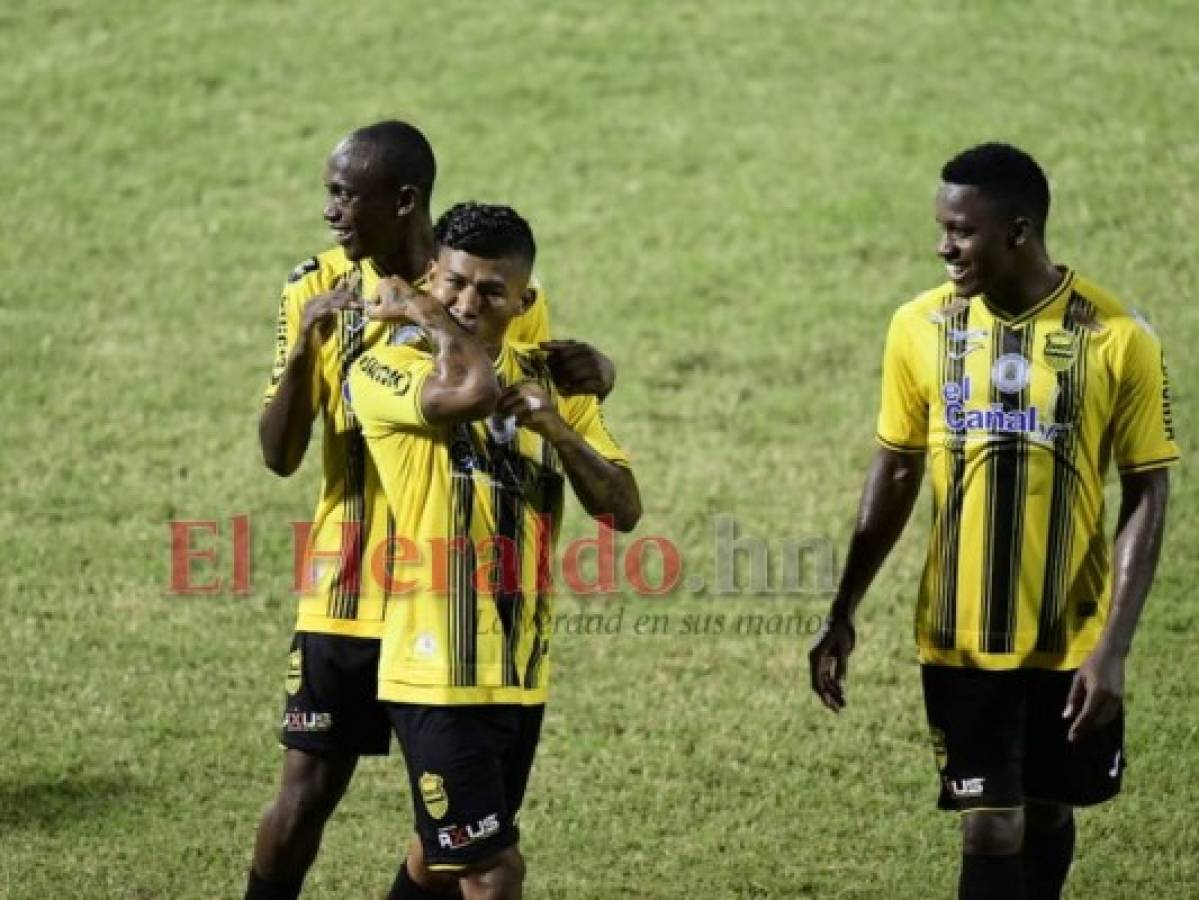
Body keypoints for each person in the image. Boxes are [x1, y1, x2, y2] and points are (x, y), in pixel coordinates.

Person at [249, 122, 616, 900]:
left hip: (458, 604)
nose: (331, 212)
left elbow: (527, 374)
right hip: (350, 589)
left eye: (346, 195)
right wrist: (299, 357)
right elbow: (279, 454)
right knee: (308, 792)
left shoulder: (482, 281)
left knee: (451, 841)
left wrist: (600, 373)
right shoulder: (315, 286)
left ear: (405, 200)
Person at [808, 143, 1177, 900]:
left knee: (1046, 809)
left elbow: (1147, 488)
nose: (943, 245)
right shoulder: (918, 327)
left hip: (1069, 638)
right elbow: (896, 467)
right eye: (941, 228)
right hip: (958, 634)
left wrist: (1111, 649)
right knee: (989, 821)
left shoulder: (1115, 337)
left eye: (960, 231)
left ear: (1016, 230)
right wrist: (843, 606)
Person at [347, 202, 641, 900]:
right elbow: (471, 389)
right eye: (452, 282)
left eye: (490, 291)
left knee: (438, 856)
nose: (467, 301)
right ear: (429, 276)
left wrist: (563, 432)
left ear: (524, 300)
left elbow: (622, 509)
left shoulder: (550, 380)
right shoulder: (385, 368)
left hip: (517, 670)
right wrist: (429, 313)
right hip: (434, 669)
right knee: (492, 870)